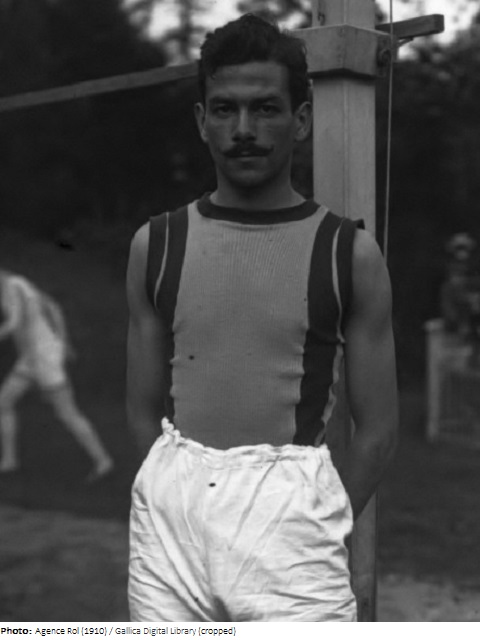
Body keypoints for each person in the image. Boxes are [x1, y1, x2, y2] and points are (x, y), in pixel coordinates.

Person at [126, 14, 398, 622]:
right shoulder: (158, 245)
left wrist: (318, 523)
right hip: (173, 541)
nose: (244, 130)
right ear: (202, 121)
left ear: (301, 120)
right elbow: (141, 410)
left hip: (294, 541)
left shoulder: (347, 253)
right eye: (225, 110)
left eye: (265, 109)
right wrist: (168, 501)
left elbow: (378, 428)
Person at [0, 269, 114, 482]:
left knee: (67, 412)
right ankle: (9, 461)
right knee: (3, 402)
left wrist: (59, 344)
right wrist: (63, 341)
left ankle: (103, 460)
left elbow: (14, 322)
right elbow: (52, 306)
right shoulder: (19, 284)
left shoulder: (14, 287)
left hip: (44, 358)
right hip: (32, 357)